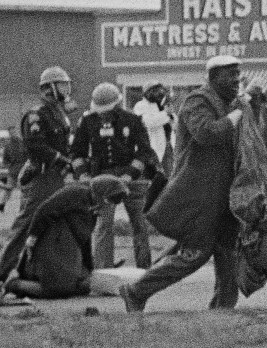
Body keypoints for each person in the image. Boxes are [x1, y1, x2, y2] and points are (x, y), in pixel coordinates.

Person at [119, 55, 247, 312]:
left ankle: (223, 311)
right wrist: (235, 116)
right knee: (194, 254)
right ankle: (136, 291)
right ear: (213, 77)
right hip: (199, 195)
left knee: (228, 253)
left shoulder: (231, 103)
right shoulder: (197, 101)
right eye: (230, 74)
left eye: (238, 73)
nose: (236, 79)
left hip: (224, 195)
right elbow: (206, 133)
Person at [0, 66, 75, 287]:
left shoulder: (59, 113)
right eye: (61, 84)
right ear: (49, 88)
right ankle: (3, 274)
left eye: (66, 84)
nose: (66, 89)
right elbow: (35, 145)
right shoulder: (36, 114)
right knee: (27, 223)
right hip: (40, 177)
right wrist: (60, 159)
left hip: (58, 177)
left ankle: (45, 271)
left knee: (56, 223)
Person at [0, 175, 129, 299]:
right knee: (57, 290)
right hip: (52, 244)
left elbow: (84, 239)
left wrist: (89, 268)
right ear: (101, 192)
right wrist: (32, 236)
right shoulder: (76, 192)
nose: (109, 205)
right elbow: (44, 210)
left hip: (67, 249)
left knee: (83, 287)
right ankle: (14, 285)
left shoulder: (92, 207)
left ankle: (32, 286)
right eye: (109, 200)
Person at [71, 83, 157, 270]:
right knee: (103, 225)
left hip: (130, 176)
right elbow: (77, 152)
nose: (103, 115)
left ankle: (144, 268)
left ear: (117, 105)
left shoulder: (132, 120)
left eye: (107, 111)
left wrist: (130, 175)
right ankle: (104, 268)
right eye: (100, 111)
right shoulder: (88, 122)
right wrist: (83, 175)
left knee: (139, 223)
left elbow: (144, 152)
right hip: (102, 177)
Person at [133, 80, 175, 177]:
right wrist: (165, 113)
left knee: (170, 176)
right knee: (155, 176)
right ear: (148, 92)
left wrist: (171, 116)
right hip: (152, 147)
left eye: (160, 90)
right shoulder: (141, 106)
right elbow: (147, 122)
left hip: (168, 146)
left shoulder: (162, 105)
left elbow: (174, 124)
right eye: (155, 90)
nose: (159, 93)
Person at [0, 127, 27, 212]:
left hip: (22, 170)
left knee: (22, 189)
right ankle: (2, 205)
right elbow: (5, 159)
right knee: (8, 189)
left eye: (14, 132)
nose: (13, 134)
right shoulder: (9, 145)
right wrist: (8, 165)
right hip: (14, 170)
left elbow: (27, 155)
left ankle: (22, 207)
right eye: (11, 133)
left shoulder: (22, 143)